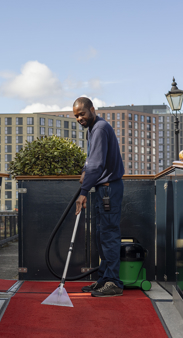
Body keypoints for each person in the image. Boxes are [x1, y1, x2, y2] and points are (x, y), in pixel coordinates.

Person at [73, 97, 125, 297]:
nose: (79, 118)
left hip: (108, 190)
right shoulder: (94, 128)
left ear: (92, 109)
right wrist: (85, 172)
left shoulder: (100, 128)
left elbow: (96, 164)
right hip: (103, 189)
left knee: (109, 235)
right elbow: (92, 160)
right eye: (76, 115)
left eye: (82, 113)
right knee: (101, 235)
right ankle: (104, 278)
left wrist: (83, 192)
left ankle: (113, 282)